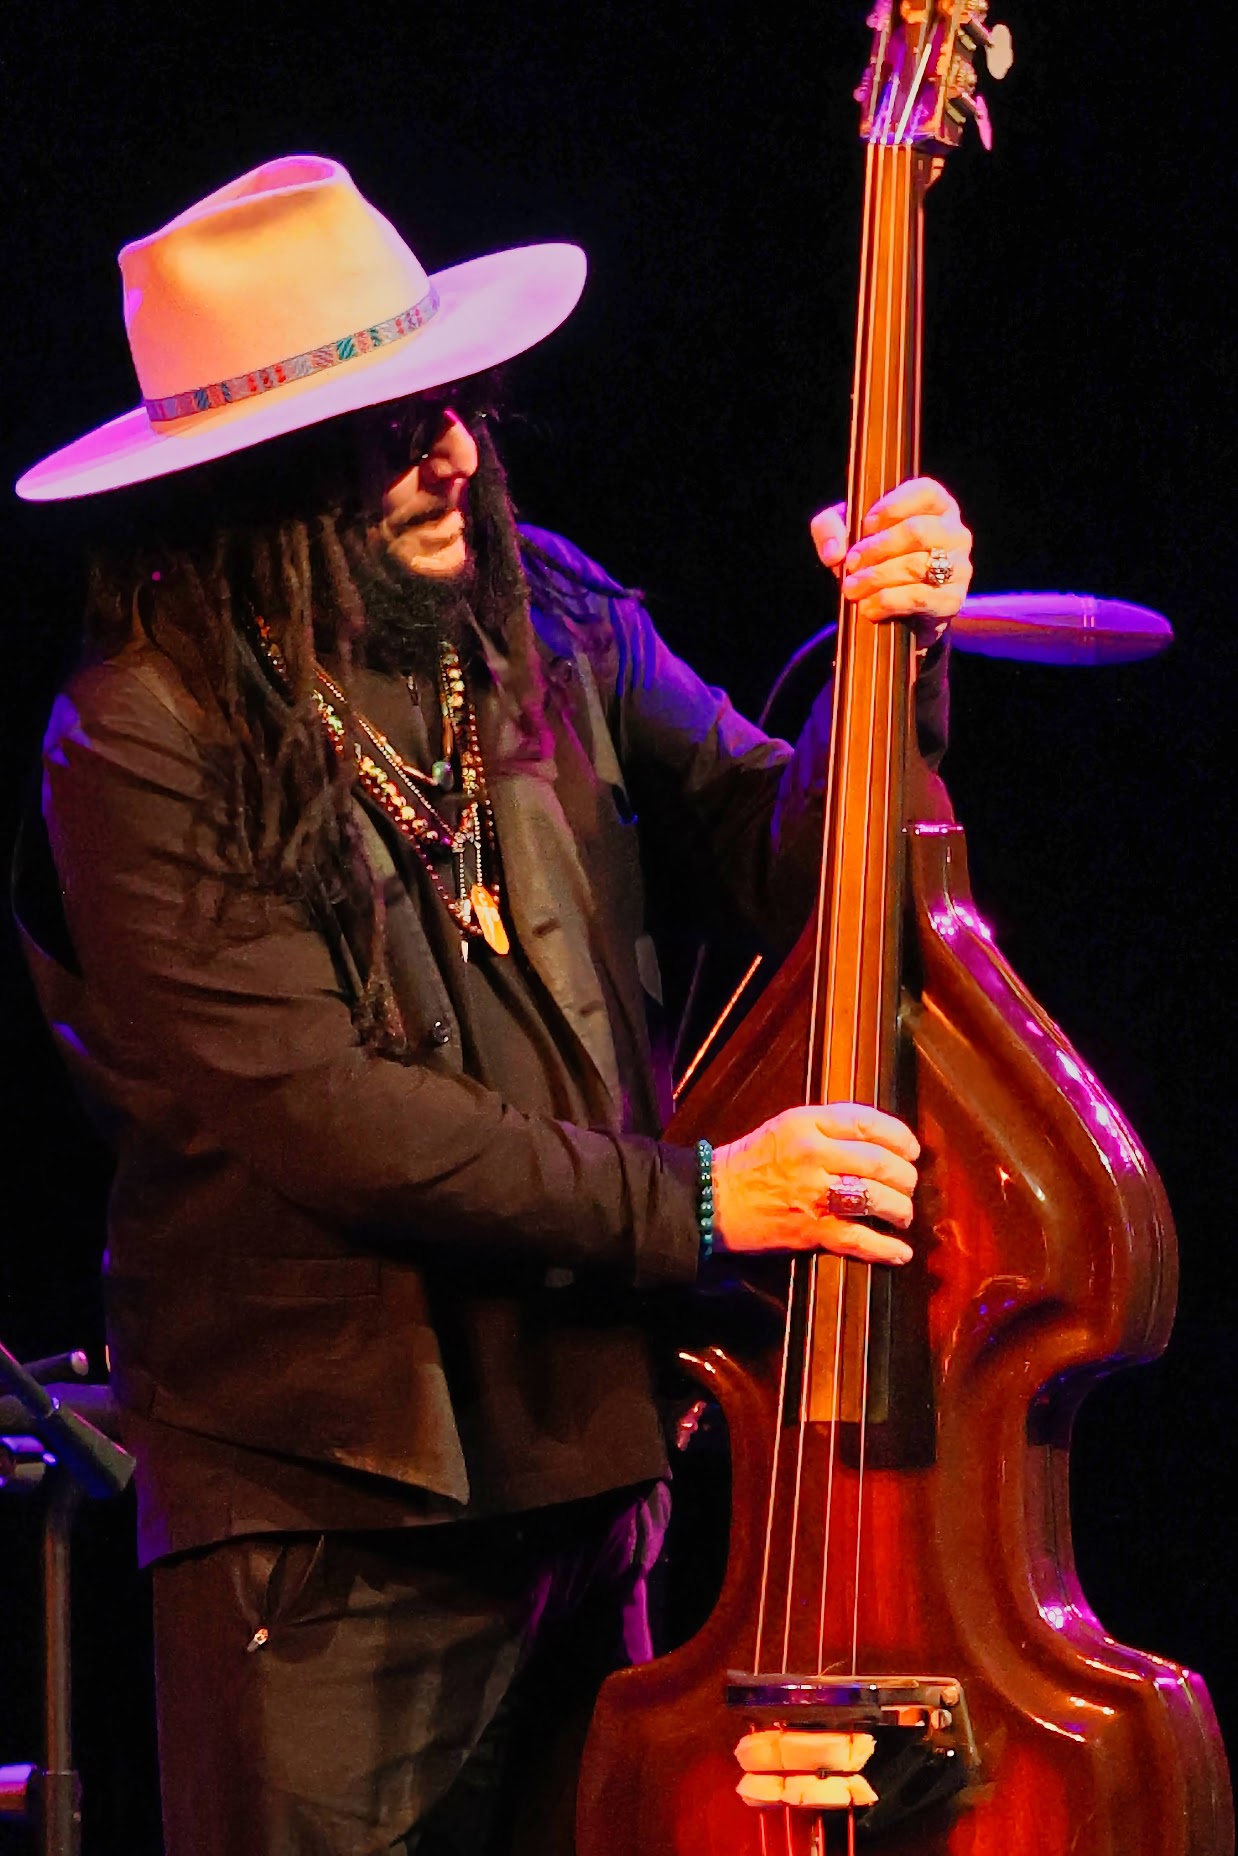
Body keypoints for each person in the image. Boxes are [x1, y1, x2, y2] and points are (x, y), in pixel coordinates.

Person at [13, 154, 972, 1855]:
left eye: (453, 406)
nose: (453, 453)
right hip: (325, 1514)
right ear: (256, 478)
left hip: (584, 1469)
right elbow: (330, 1114)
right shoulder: (142, 735)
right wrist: (699, 1200)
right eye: (392, 432)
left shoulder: (549, 614)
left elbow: (801, 870)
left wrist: (885, 650)